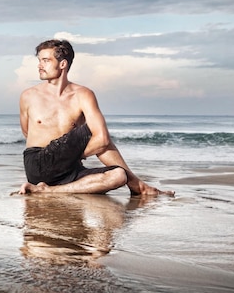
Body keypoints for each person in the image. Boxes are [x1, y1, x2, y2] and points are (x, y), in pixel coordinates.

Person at [18, 39, 174, 196]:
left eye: (45, 61)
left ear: (63, 64)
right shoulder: (29, 96)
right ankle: (139, 186)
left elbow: (102, 141)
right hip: (38, 165)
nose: (39, 65)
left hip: (69, 169)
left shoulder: (83, 95)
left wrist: (70, 157)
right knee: (92, 131)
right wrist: (71, 153)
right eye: (39, 61)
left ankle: (49, 191)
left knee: (118, 176)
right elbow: (27, 132)